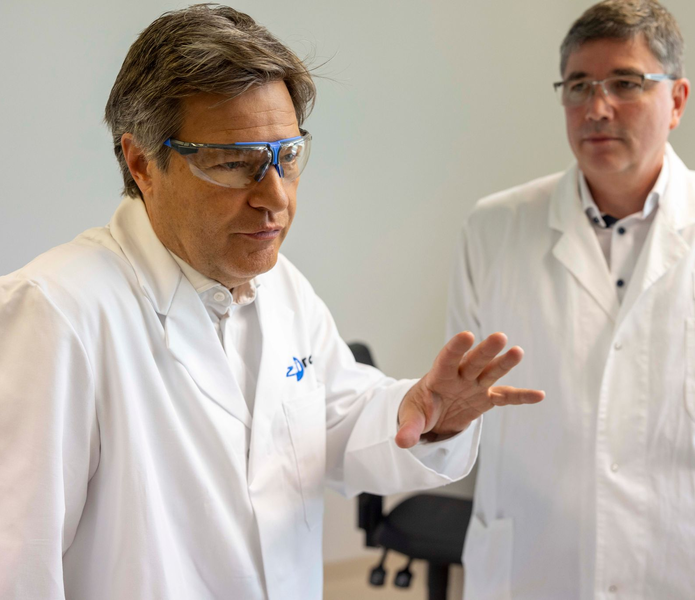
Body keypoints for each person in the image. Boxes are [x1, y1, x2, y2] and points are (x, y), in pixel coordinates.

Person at [0, 6, 545, 600]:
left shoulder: (280, 286)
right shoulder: (56, 312)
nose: (276, 198)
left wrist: (422, 412)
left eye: (286, 157)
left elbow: (333, 421)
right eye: (235, 163)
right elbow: (17, 563)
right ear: (142, 163)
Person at [447, 1, 695, 598]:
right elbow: (464, 398)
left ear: (677, 100)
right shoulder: (493, 228)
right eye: (578, 85)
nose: (597, 108)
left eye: (626, 83)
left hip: (690, 562)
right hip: (536, 559)